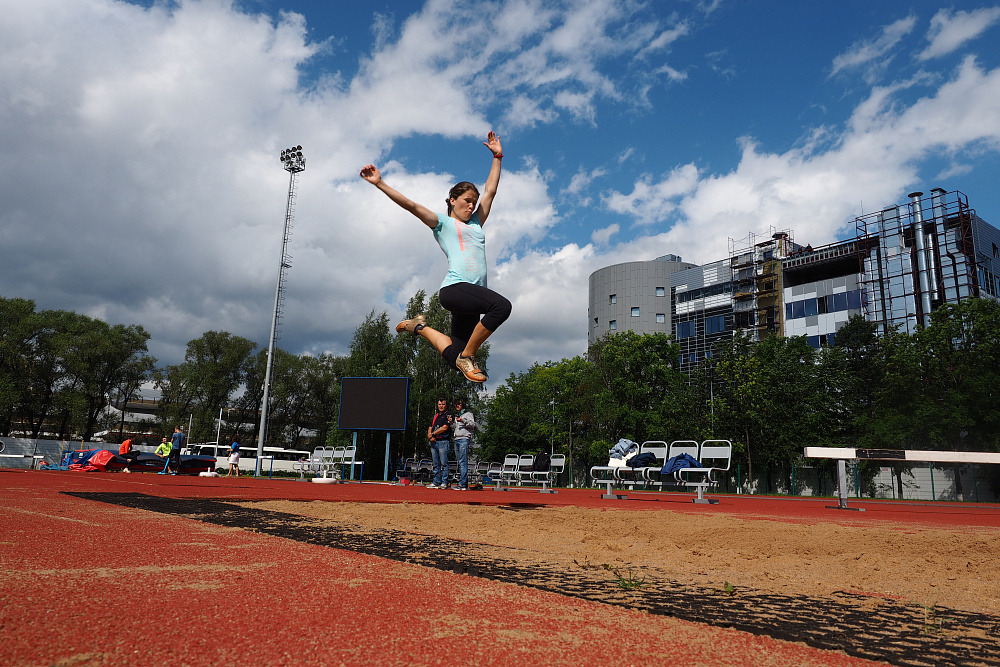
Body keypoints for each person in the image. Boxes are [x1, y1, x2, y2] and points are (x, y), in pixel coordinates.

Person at [360, 131, 512, 383]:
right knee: (501, 307)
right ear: (452, 201)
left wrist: (497, 155)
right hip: (455, 290)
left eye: (474, 203)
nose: (471, 206)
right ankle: (470, 356)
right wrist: (380, 183)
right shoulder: (442, 223)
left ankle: (418, 327)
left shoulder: (476, 224)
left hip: (471, 298)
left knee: (454, 356)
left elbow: (491, 191)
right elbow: (411, 205)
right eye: (466, 201)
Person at [426, 398, 452, 488]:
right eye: (440, 404)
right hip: (434, 442)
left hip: (443, 441)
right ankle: (436, 481)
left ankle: (444, 482)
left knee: (444, 463)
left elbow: (444, 428)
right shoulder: (436, 416)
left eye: (443, 404)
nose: (441, 406)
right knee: (435, 463)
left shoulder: (448, 415)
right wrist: (430, 436)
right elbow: (431, 426)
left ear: (446, 405)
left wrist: (433, 433)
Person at [451, 398, 476, 491]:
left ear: (462, 405)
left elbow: (472, 425)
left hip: (464, 439)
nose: (457, 406)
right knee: (460, 462)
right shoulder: (457, 416)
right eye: (456, 404)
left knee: (462, 462)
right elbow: (455, 428)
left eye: (459, 404)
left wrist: (463, 420)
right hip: (457, 439)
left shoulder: (468, 414)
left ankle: (462, 484)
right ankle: (464, 484)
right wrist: (451, 423)